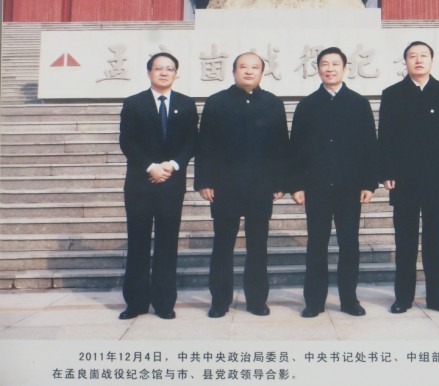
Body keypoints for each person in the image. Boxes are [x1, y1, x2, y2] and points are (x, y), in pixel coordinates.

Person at [195, 52, 289, 318]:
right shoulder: (216, 102)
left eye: (254, 67)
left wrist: (281, 181)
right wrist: (204, 180)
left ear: (262, 72)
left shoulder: (273, 103)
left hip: (261, 186)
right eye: (243, 67)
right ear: (234, 71)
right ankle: (220, 301)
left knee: (258, 246)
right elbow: (205, 144)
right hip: (224, 186)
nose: (249, 71)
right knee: (222, 245)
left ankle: (257, 300)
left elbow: (281, 145)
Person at [290, 46, 378, 318]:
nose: (330, 69)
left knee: (349, 244)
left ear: (344, 68)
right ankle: (314, 301)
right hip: (315, 186)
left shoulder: (358, 103)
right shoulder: (307, 105)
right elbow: (295, 148)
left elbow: (369, 145)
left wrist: (368, 183)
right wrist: (296, 185)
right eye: (325, 64)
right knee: (317, 244)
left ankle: (349, 299)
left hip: (349, 187)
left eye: (335, 64)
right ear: (317, 69)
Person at [378, 41, 439, 314]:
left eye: (423, 56)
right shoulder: (392, 94)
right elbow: (385, 136)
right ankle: (403, 297)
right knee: (405, 241)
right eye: (412, 56)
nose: (418, 60)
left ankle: (436, 296)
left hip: (436, 178)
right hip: (404, 180)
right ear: (405, 62)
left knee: (435, 241)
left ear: (431, 60)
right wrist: (386, 171)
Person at [118, 52, 199, 320]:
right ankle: (136, 303)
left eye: (169, 69)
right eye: (159, 68)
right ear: (149, 72)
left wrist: (172, 165)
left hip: (171, 184)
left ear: (176, 73)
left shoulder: (186, 104)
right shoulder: (133, 103)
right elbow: (127, 141)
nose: (164, 73)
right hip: (140, 183)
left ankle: (164, 303)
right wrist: (150, 166)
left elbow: (192, 141)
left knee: (167, 243)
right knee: (138, 242)